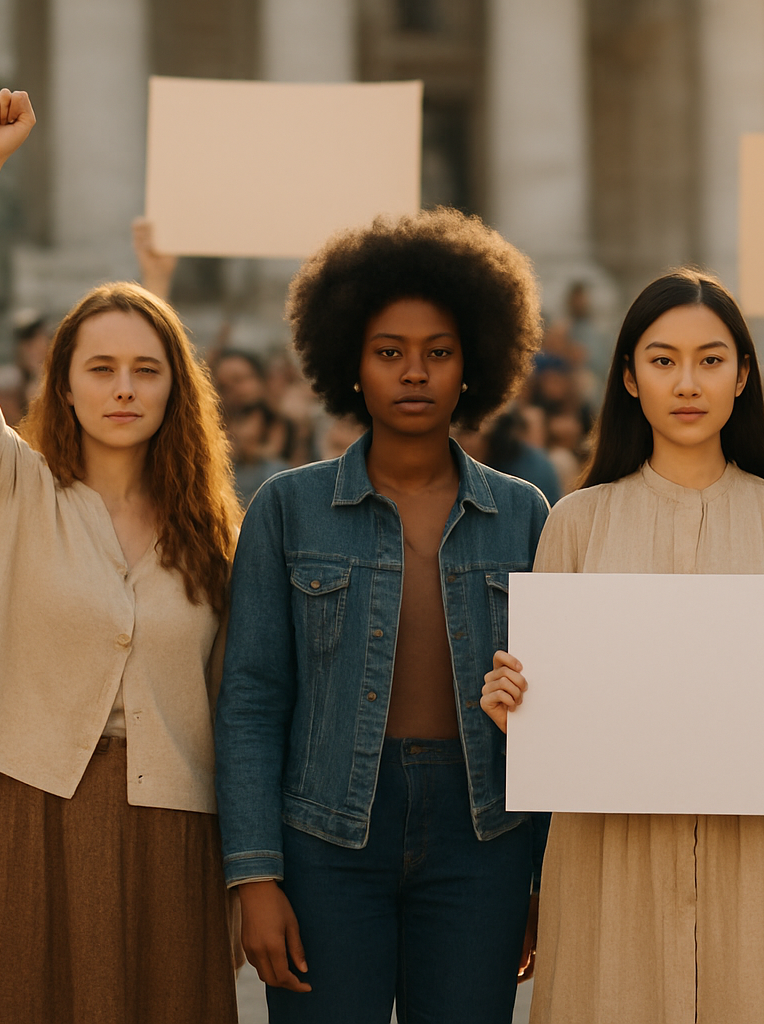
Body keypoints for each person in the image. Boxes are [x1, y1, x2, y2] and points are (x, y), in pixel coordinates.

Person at [0, 90, 241, 1020]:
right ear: (64, 380)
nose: (124, 388)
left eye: (147, 369)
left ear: (178, 386)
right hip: (29, 817)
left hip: (174, 831)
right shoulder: (11, 489)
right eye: (99, 368)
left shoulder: (215, 531)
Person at [481, 268, 764, 1024]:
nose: (687, 382)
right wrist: (520, 710)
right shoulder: (576, 521)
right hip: (608, 864)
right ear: (629, 378)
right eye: (662, 360)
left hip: (759, 864)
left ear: (743, 376)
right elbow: (553, 711)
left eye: (710, 359)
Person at [215, 206, 549, 1024]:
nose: (414, 373)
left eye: (438, 353)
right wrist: (254, 876)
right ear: (350, 367)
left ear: (473, 365)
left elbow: (554, 714)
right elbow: (252, 700)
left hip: (485, 838)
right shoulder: (287, 510)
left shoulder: (526, 514)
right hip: (325, 835)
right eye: (389, 353)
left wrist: (542, 876)